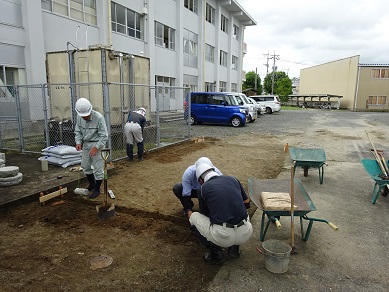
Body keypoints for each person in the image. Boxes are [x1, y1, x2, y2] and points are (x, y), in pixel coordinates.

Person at [187, 163, 253, 264]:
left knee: (194, 217)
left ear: (201, 180)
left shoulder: (202, 189)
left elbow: (204, 215)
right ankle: (234, 250)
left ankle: (216, 254)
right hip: (246, 232)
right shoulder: (233, 179)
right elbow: (247, 203)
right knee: (239, 211)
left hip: (223, 237)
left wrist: (188, 211)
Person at [74, 98, 108, 199]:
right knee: (85, 166)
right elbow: (78, 131)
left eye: (87, 115)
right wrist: (78, 142)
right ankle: (92, 184)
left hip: (98, 145)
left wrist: (96, 147)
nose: (85, 117)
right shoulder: (79, 118)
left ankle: (97, 189)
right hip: (86, 145)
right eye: (83, 116)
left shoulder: (98, 118)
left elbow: (104, 136)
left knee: (98, 169)